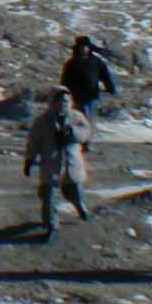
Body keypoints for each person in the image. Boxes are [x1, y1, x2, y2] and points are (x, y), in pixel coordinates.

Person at [23, 86, 92, 242]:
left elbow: (86, 132)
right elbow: (34, 142)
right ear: (53, 102)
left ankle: (80, 206)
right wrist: (29, 160)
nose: (63, 104)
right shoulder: (43, 121)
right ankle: (51, 226)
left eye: (66, 101)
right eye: (60, 101)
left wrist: (72, 132)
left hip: (71, 164)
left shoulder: (77, 117)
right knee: (49, 198)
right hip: (50, 164)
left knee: (74, 191)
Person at [60, 35, 116, 126]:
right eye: (81, 47)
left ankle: (88, 139)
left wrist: (110, 88)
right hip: (76, 97)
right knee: (78, 118)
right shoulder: (71, 64)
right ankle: (79, 138)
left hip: (92, 95)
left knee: (89, 120)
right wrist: (64, 93)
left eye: (86, 47)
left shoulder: (96, 61)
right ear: (77, 48)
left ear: (89, 48)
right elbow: (65, 80)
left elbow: (105, 76)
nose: (83, 49)